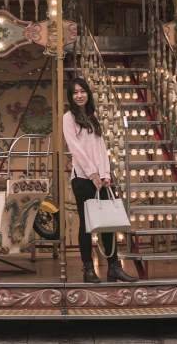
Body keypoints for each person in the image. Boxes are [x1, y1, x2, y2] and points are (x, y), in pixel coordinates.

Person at [62, 77, 136, 284]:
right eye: (75, 92)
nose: (79, 95)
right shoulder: (68, 118)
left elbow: (101, 148)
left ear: (88, 93)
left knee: (108, 223)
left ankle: (114, 267)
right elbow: (75, 148)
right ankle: (88, 269)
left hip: (101, 179)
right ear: (71, 96)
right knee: (87, 224)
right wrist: (93, 173)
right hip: (83, 178)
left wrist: (105, 174)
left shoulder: (93, 116)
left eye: (82, 91)